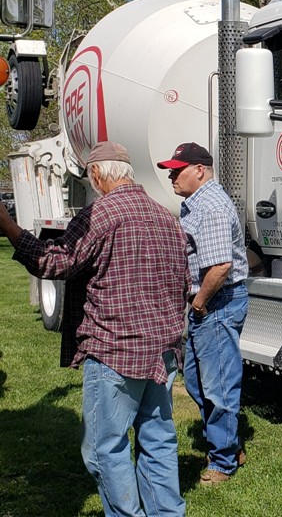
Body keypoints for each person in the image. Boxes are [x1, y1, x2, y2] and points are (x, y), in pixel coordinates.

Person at [0, 141, 188, 517]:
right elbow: (182, 283)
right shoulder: (166, 215)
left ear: (99, 175)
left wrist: (8, 226)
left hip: (116, 352)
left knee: (105, 448)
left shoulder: (100, 214)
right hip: (162, 351)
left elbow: (55, 262)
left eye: (90, 176)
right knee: (159, 442)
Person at [157, 142, 249, 485]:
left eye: (176, 170)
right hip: (211, 303)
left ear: (199, 170)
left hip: (217, 302)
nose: (170, 176)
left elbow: (221, 266)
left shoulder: (209, 206)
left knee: (218, 384)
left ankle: (223, 462)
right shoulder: (196, 204)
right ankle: (228, 443)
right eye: (169, 170)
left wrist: (198, 304)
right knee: (197, 380)